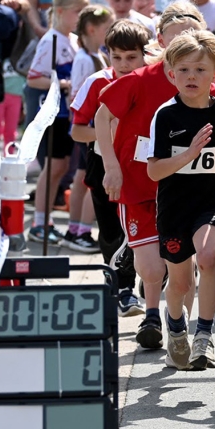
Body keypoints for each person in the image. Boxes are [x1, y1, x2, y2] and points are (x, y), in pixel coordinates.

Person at [95, 3, 206, 350]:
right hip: (138, 186)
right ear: (160, 40)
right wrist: (111, 166)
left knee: (182, 267)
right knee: (153, 269)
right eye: (177, 35)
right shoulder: (140, 79)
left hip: (183, 187)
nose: (185, 41)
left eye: (192, 34)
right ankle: (152, 316)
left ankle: (178, 328)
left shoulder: (204, 78)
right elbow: (101, 117)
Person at [147, 31, 215, 370]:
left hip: (209, 202)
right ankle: (176, 327)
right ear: (171, 74)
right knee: (181, 283)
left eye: (201, 70)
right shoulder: (165, 116)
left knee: (208, 257)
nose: (192, 77)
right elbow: (154, 171)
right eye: (184, 70)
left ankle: (204, 334)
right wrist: (188, 154)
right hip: (174, 207)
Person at [70, 20, 150, 314]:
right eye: (117, 57)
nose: (124, 64)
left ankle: (151, 276)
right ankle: (122, 288)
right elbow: (77, 131)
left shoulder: (154, 80)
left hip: (144, 164)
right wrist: (106, 133)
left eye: (132, 57)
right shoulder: (97, 82)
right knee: (111, 231)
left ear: (145, 54)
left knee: (145, 227)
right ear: (107, 55)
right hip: (103, 164)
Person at [26, 0, 89, 247]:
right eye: (77, 11)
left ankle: (46, 220)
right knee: (52, 167)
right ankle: (39, 223)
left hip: (68, 113)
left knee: (62, 167)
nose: (81, 17)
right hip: (54, 112)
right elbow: (33, 78)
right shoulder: (51, 40)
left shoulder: (73, 39)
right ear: (60, 11)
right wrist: (62, 84)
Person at [66, 4, 114, 252]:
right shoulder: (84, 59)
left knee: (82, 177)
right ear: (92, 29)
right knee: (89, 181)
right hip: (91, 129)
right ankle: (82, 230)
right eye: (107, 28)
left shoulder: (99, 56)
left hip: (95, 128)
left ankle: (75, 229)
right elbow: (78, 93)